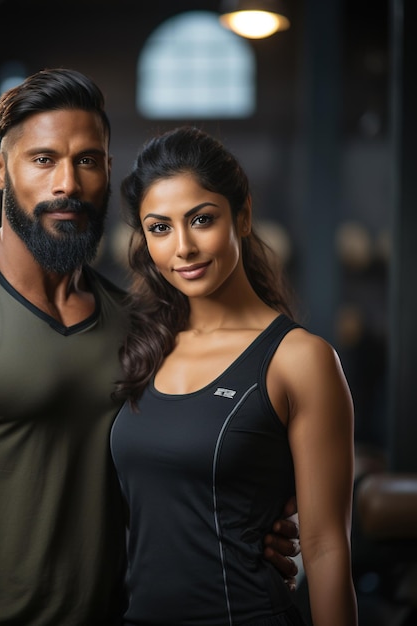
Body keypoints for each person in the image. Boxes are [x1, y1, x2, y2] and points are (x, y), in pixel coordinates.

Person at [0, 69, 301, 626]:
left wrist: (255, 527)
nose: (67, 184)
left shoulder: (139, 325)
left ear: (107, 171)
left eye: (86, 161)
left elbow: (185, 457)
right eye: (42, 160)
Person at [110, 126, 358, 626]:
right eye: (160, 228)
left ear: (241, 215)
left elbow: (326, 547)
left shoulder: (299, 359)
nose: (183, 247)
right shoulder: (139, 347)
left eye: (201, 220)